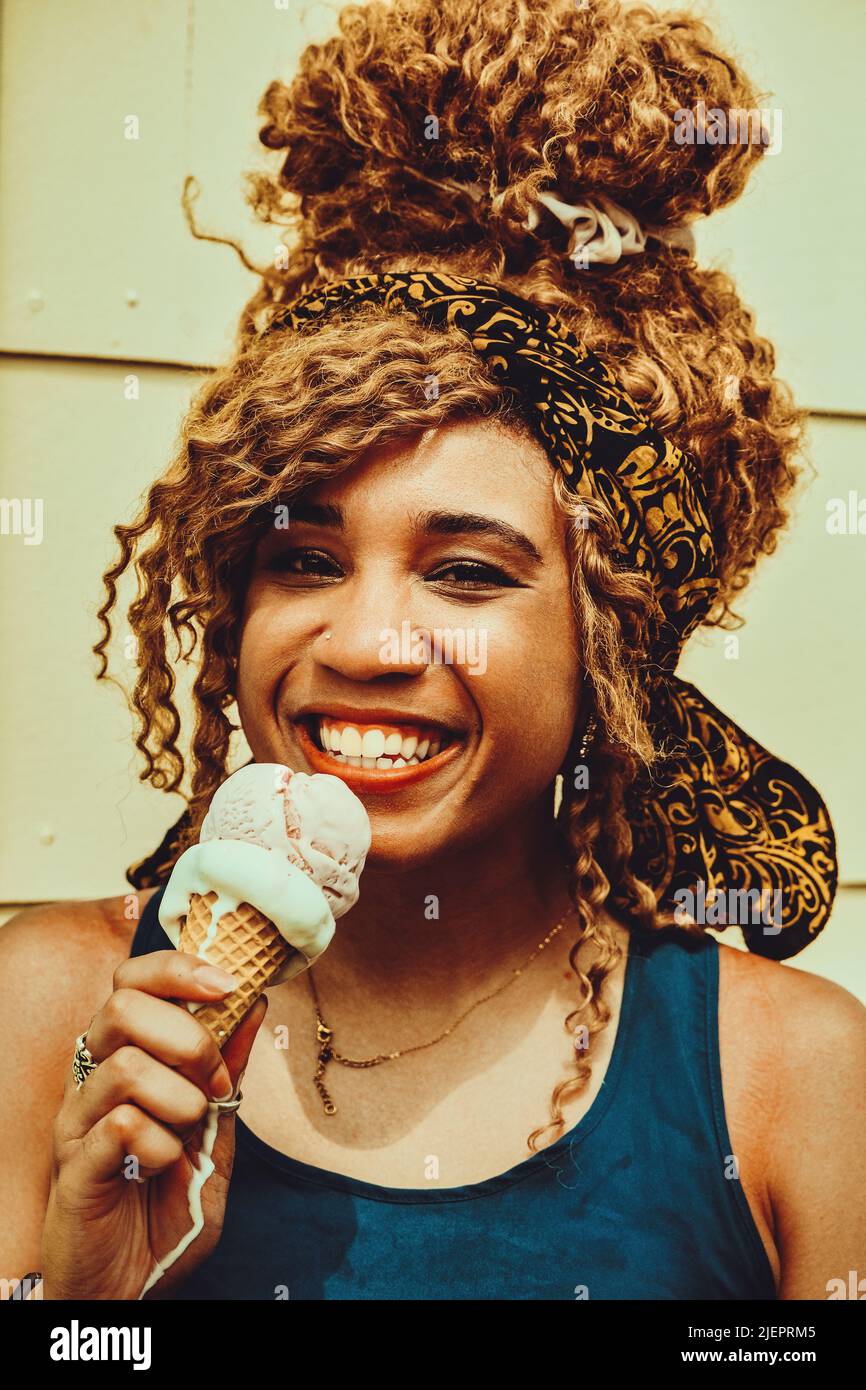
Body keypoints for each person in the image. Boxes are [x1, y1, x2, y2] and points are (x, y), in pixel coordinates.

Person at [1, 0, 863, 1301]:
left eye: (464, 570)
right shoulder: (55, 1010)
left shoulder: (788, 1074)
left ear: (610, 648)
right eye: (304, 558)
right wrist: (90, 1315)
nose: (361, 639)